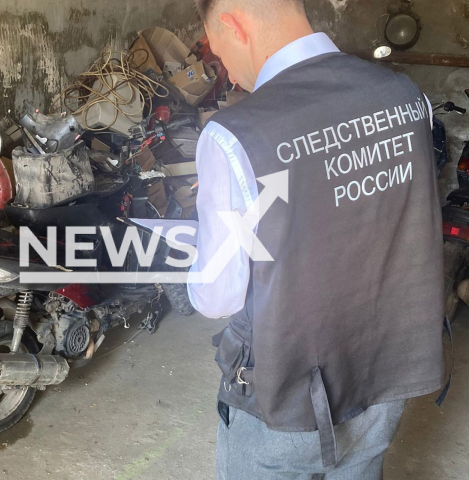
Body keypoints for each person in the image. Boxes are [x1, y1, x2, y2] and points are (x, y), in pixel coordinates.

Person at [186, 0, 447, 478]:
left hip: (286, 399)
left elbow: (216, 297)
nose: (229, 72)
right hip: (387, 372)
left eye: (220, 55)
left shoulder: (235, 136)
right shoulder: (406, 97)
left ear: (231, 24)